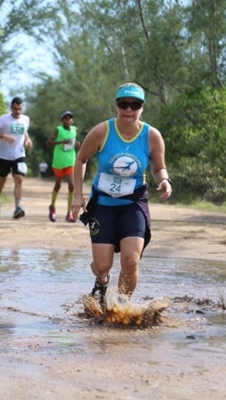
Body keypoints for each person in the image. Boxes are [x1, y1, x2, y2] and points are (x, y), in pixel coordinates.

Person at [72, 82, 172, 303]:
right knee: (102, 265)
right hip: (103, 204)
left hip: (133, 204)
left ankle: (122, 305)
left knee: (131, 260)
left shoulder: (151, 136)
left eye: (134, 105)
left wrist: (164, 180)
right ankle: (102, 281)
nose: (129, 109)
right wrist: (78, 195)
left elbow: (158, 167)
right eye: (123, 104)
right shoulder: (102, 131)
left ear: (142, 108)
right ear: (116, 106)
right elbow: (80, 159)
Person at [0, 97, 33, 219]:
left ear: (22, 108)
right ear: (11, 108)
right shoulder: (4, 119)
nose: (17, 111)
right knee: (2, 179)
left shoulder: (25, 119)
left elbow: (25, 132)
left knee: (18, 179)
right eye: (15, 109)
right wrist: (4, 136)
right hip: (4, 155)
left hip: (19, 154)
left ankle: (18, 208)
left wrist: (28, 140)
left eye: (19, 109)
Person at [47, 110, 81, 222]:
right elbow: (49, 143)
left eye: (70, 118)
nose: (68, 120)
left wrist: (77, 144)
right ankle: (52, 207)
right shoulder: (59, 130)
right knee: (58, 185)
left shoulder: (75, 130)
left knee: (71, 185)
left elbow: (75, 142)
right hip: (59, 161)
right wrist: (61, 142)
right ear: (62, 120)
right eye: (66, 118)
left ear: (72, 120)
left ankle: (69, 212)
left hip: (70, 160)